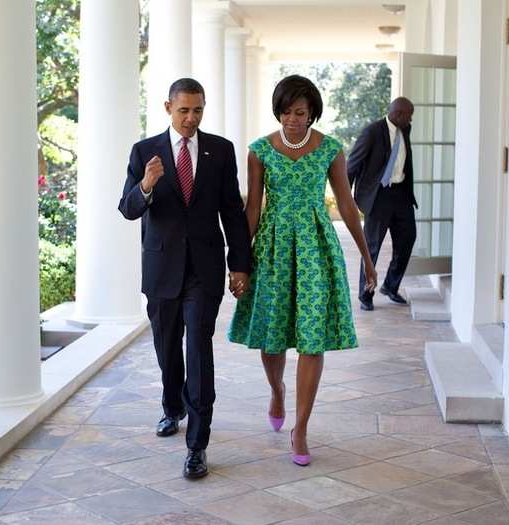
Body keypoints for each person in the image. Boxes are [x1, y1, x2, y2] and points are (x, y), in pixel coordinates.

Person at [228, 75, 376, 466]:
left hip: (316, 250)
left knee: (312, 340)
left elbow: (346, 206)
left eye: (300, 113)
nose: (292, 120)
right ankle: (276, 390)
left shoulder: (330, 149)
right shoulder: (260, 150)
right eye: (286, 112)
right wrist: (239, 263)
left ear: (312, 114)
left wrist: (366, 256)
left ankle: (301, 428)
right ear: (277, 110)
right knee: (273, 338)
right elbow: (253, 209)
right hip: (274, 250)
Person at [118, 78, 251, 479]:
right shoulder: (145, 152)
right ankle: (171, 406)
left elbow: (232, 210)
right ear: (167, 108)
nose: (191, 118)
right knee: (167, 349)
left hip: (204, 271)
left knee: (198, 349)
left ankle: (197, 444)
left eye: (198, 110)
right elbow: (127, 208)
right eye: (184, 110)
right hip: (161, 268)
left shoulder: (220, 150)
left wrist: (239, 263)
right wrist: (147, 184)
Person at [347, 97, 417, 311]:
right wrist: (346, 199)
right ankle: (365, 294)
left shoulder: (405, 130)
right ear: (398, 114)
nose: (411, 119)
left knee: (407, 239)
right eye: (409, 115)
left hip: (401, 194)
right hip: (378, 197)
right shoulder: (372, 132)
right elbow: (352, 164)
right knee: (372, 248)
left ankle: (390, 286)